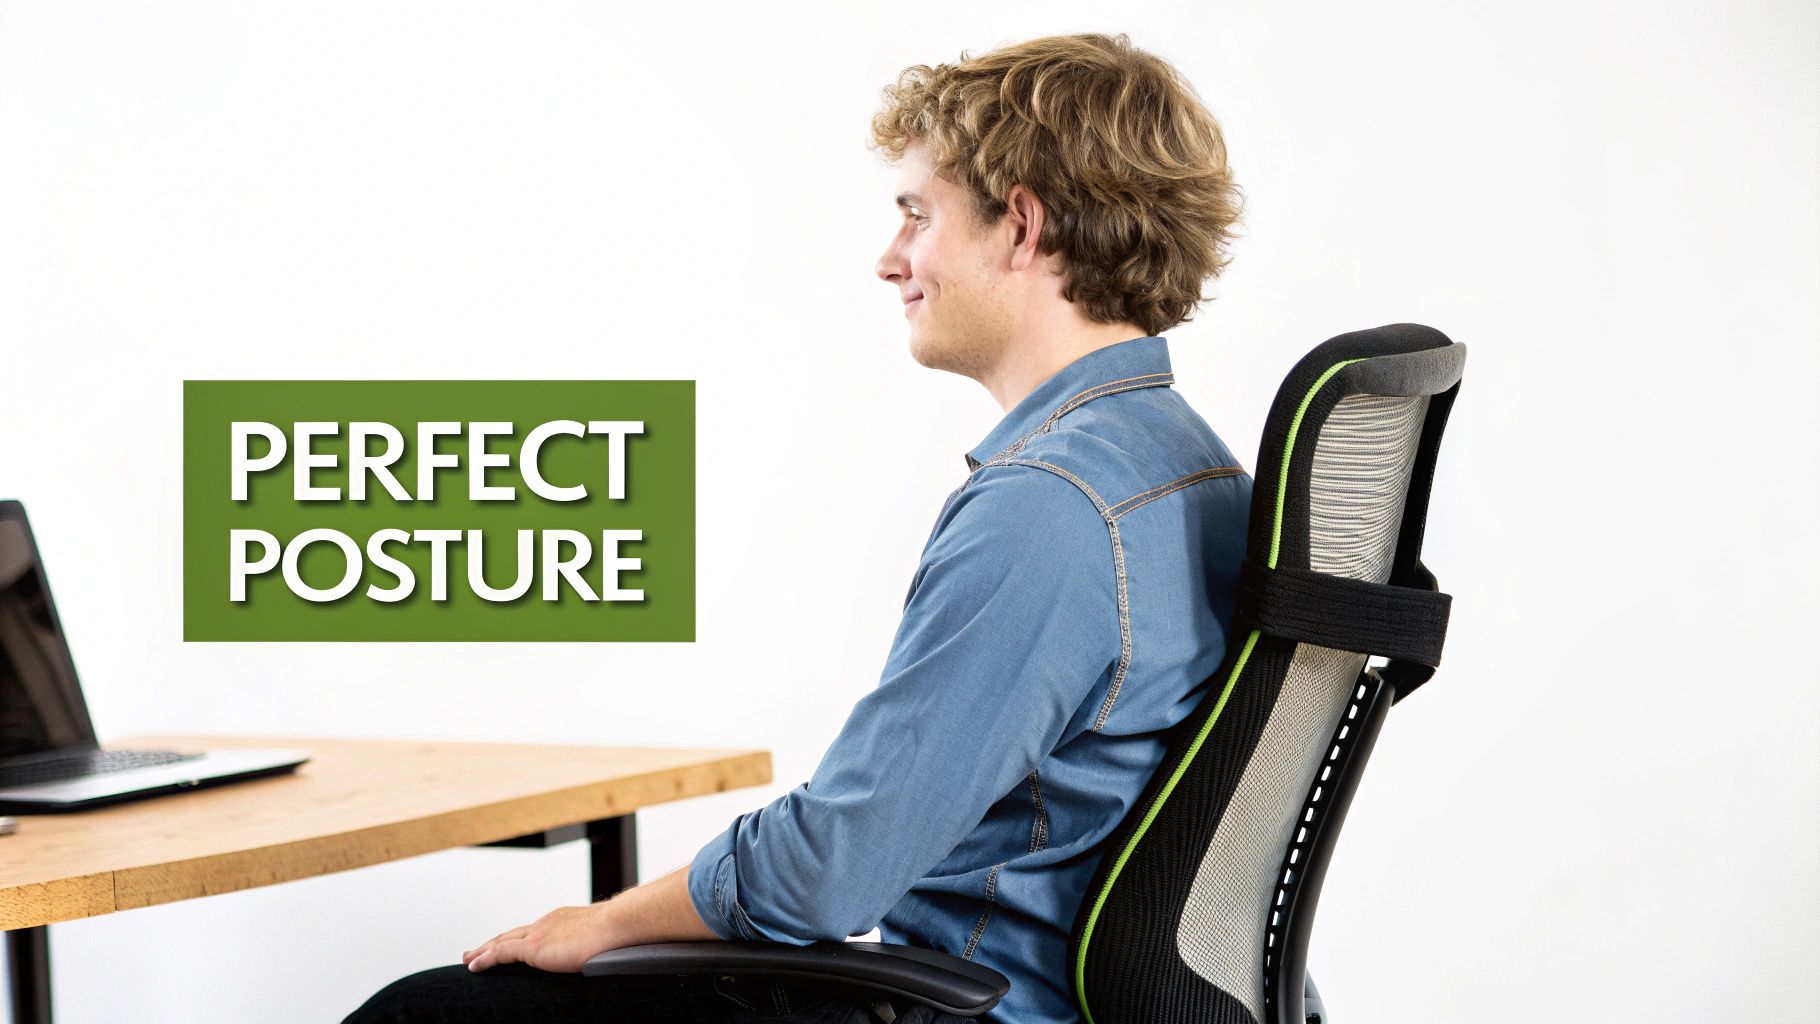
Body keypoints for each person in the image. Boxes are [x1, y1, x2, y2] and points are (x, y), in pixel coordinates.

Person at [346, 30, 1249, 1024]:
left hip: (988, 1009)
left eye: (916, 215)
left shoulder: (1050, 507)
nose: (889, 258)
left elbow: (832, 870)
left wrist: (604, 921)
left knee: (422, 1014)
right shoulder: (1187, 466)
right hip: (1066, 996)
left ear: (1022, 226)